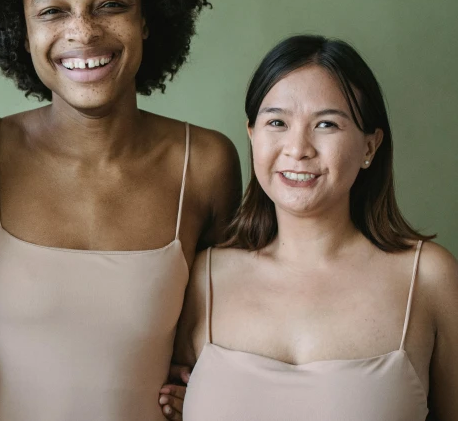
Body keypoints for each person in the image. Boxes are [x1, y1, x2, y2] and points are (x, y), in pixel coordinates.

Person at [0, 0, 242, 419]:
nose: (83, 32)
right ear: (21, 28)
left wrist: (203, 390)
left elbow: (215, 351)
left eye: (111, 5)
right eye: (52, 10)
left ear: (148, 17)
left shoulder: (206, 164)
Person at [158, 35, 458, 420]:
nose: (298, 147)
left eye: (327, 124)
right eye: (277, 122)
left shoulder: (430, 277)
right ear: (252, 135)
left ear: (370, 146)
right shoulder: (203, 276)